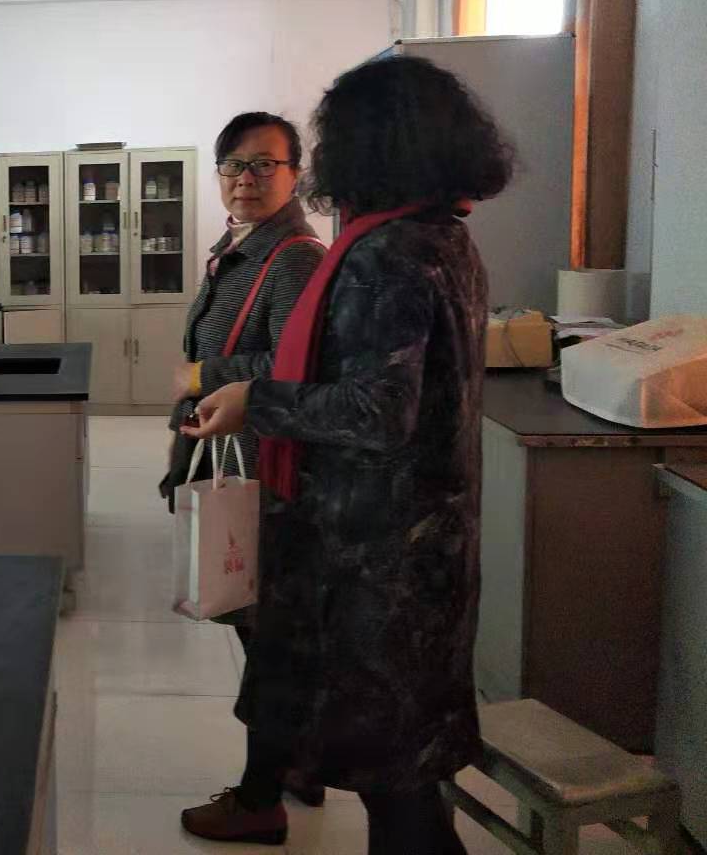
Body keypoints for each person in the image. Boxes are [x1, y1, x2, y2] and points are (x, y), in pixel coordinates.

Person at [179, 54, 513, 854]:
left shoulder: (385, 254)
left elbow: (378, 409)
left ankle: (270, 796)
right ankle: (268, 792)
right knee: (402, 768)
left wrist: (255, 399)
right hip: (423, 542)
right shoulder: (445, 238)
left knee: (395, 780)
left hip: (378, 557)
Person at [159, 112, 326, 816]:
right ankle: (299, 763)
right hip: (229, 456)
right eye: (232, 165)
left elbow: (292, 366)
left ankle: (262, 794)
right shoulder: (240, 246)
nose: (245, 179)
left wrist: (203, 375)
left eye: (264, 165)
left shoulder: (293, 257)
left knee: (267, 630)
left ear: (295, 175)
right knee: (257, 621)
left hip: (264, 471)